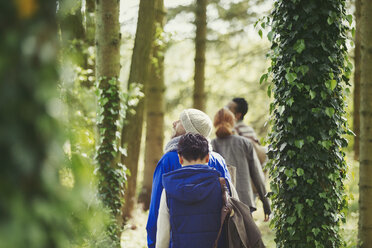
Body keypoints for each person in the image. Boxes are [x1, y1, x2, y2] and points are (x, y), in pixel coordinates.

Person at [146, 108, 232, 248]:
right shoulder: (218, 160)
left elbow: (157, 211)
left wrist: (152, 243)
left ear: (189, 129)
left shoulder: (168, 160)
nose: (174, 123)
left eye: (180, 121)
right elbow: (230, 204)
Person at [156, 133, 227, 248]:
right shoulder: (223, 185)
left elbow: (162, 238)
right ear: (208, 157)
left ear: (180, 158)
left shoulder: (169, 190)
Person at [211, 108, 271, 221]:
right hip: (245, 202)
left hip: (221, 203)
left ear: (214, 123)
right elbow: (258, 176)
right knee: (244, 238)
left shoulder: (210, 145)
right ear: (232, 122)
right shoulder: (245, 143)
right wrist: (266, 205)